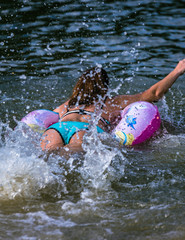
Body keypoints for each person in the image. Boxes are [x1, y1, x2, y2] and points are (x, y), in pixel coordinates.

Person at [41, 59, 185, 152]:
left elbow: (46, 119)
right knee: (70, 160)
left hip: (57, 129)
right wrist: (177, 70)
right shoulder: (110, 102)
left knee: (47, 158)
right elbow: (154, 93)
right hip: (84, 131)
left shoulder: (68, 105)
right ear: (104, 87)